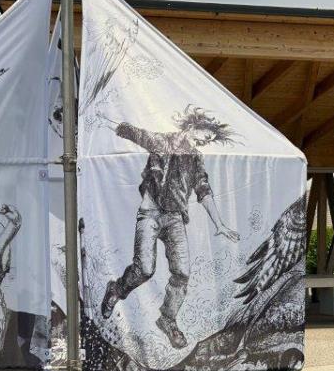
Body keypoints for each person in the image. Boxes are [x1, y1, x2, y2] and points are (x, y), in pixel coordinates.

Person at [96, 106, 239, 349]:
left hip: (175, 218)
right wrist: (103, 118)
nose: (205, 141)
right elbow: (131, 132)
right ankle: (116, 290)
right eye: (204, 135)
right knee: (144, 269)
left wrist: (220, 224)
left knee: (182, 273)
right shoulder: (162, 141)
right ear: (193, 127)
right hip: (151, 213)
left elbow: (203, 189)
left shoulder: (196, 158)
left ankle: (168, 319)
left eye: (209, 140)